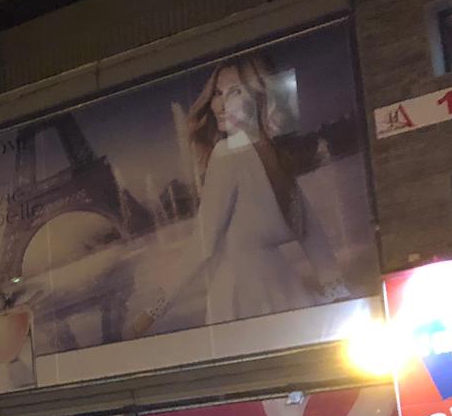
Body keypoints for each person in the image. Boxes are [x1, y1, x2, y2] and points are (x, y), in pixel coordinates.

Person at [132, 54, 348, 336]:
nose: (219, 104)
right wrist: (340, 300)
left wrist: (150, 313)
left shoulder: (228, 153)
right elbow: (315, 243)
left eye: (234, 91)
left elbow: (204, 245)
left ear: (259, 96)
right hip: (285, 291)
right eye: (217, 93)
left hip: (238, 298)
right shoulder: (277, 158)